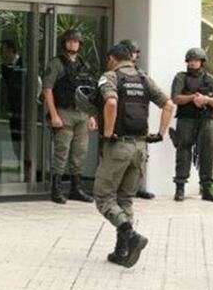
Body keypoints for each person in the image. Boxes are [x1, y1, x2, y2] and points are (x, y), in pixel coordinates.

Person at [93, 44, 174, 268]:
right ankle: (122, 251)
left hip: (118, 146)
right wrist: (160, 133)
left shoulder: (110, 76)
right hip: (140, 147)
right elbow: (168, 104)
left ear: (112, 58)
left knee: (104, 197)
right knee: (125, 199)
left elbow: (110, 102)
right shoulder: (144, 79)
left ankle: (131, 236)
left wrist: (108, 132)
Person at [42, 29, 97, 204]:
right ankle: (56, 189)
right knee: (61, 151)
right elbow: (47, 89)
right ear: (64, 42)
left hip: (82, 113)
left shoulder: (84, 65)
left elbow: (89, 92)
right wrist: (53, 114)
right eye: (70, 41)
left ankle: (76, 188)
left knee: (80, 151)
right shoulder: (57, 63)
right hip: (63, 111)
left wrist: (91, 115)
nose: (73, 44)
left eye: (76, 41)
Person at [170, 47, 213, 203]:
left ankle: (207, 188)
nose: (193, 63)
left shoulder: (211, 79)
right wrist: (193, 97)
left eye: (196, 60)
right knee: (183, 151)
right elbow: (175, 98)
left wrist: (206, 100)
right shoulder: (181, 78)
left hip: (206, 119)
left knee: (207, 152)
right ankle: (180, 188)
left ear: (202, 62)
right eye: (190, 61)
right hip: (186, 119)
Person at [117, 39, 155, 200]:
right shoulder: (115, 74)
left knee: (141, 156)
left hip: (138, 119)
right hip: (121, 121)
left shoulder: (141, 74)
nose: (137, 55)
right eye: (134, 52)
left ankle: (136, 186)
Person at [0, 39, 25, 179]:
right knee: (15, 137)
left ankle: (26, 164)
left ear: (11, 50)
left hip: (25, 109)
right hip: (13, 109)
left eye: (4, 50)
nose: (2, 54)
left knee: (24, 136)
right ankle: (20, 162)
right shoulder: (5, 67)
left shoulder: (24, 64)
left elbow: (36, 82)